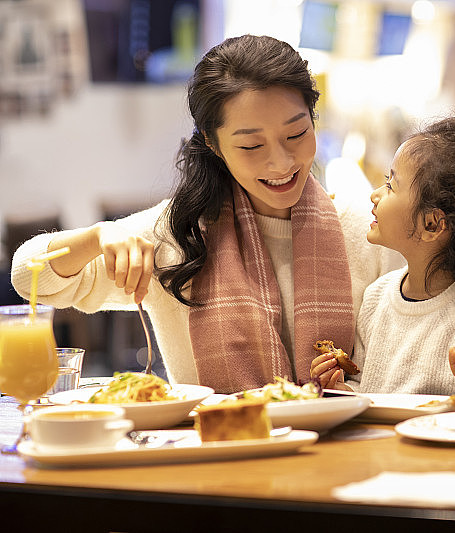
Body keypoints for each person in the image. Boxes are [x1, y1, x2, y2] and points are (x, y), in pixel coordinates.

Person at [11, 35, 401, 394]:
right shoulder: (178, 234)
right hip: (214, 454)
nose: (281, 162)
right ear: (213, 144)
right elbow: (30, 278)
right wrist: (98, 237)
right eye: (251, 146)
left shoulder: (367, 231)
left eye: (296, 135)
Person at [312, 117, 455, 402]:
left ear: (433, 225)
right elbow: (369, 389)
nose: (375, 194)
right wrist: (341, 388)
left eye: (391, 185)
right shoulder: (376, 298)